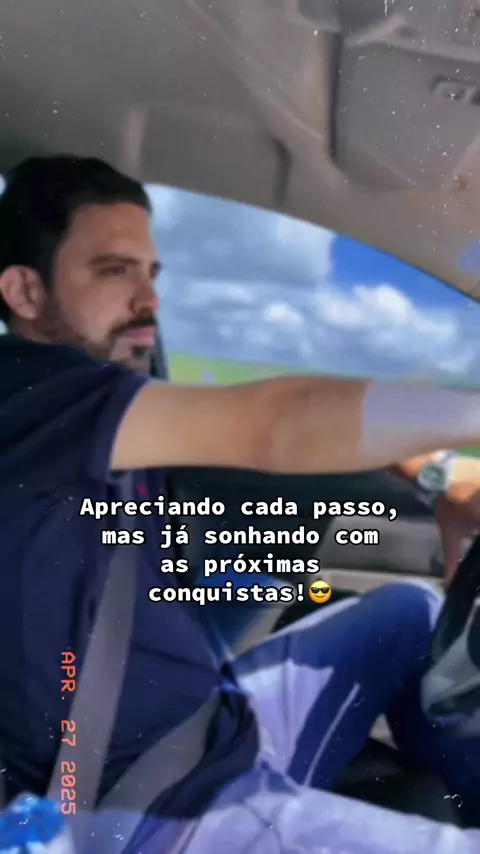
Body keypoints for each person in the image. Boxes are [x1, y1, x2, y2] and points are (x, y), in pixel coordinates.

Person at [0, 156, 479, 854]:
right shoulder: (23, 393)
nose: (149, 299)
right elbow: (274, 423)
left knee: (410, 613)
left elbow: (249, 425)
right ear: (24, 290)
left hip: (207, 731)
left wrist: (437, 473)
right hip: (150, 812)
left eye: (151, 273)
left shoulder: (100, 408)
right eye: (114, 271)